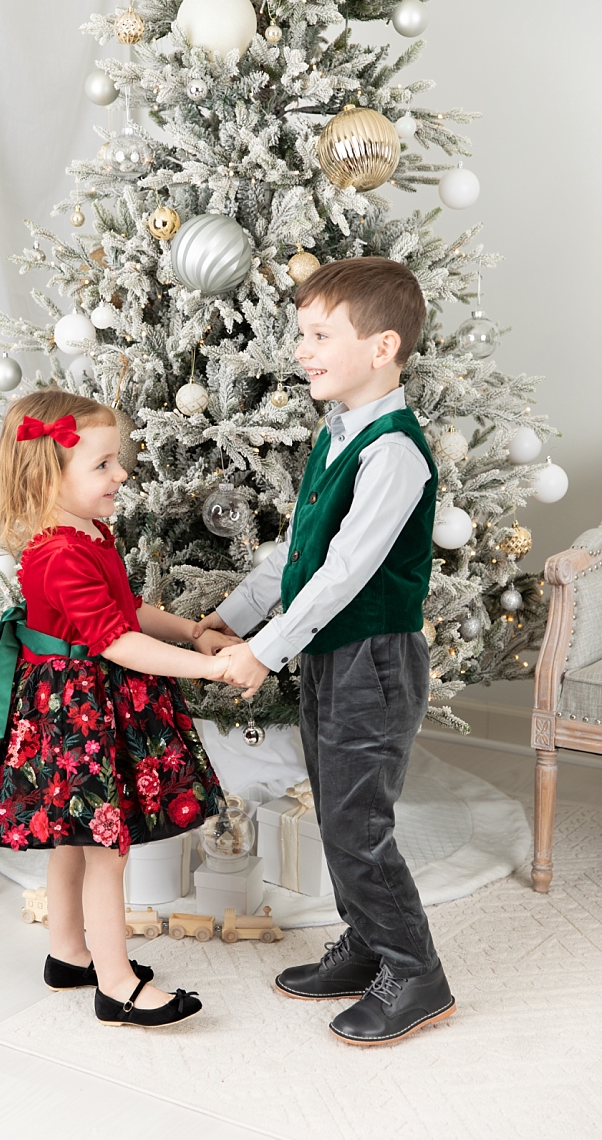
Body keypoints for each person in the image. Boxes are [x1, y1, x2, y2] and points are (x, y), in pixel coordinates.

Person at [194, 256, 452, 1046]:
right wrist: (236, 619)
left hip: (373, 658)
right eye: (301, 332)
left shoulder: (393, 453)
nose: (301, 348)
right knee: (339, 806)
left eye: (318, 334)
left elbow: (343, 575)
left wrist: (263, 653)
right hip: (336, 661)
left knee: (355, 822)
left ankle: (415, 971)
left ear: (380, 348)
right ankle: (369, 943)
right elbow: (297, 554)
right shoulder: (339, 434)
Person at [0, 389, 236, 1029]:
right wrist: (212, 667)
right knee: (108, 846)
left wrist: (190, 631)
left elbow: (125, 611)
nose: (121, 475)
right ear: (53, 475)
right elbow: (120, 641)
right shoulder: (57, 552)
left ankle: (69, 952)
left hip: (94, 700)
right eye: (103, 465)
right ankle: (117, 983)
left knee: (78, 836)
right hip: (74, 713)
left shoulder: (89, 531)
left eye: (117, 461)